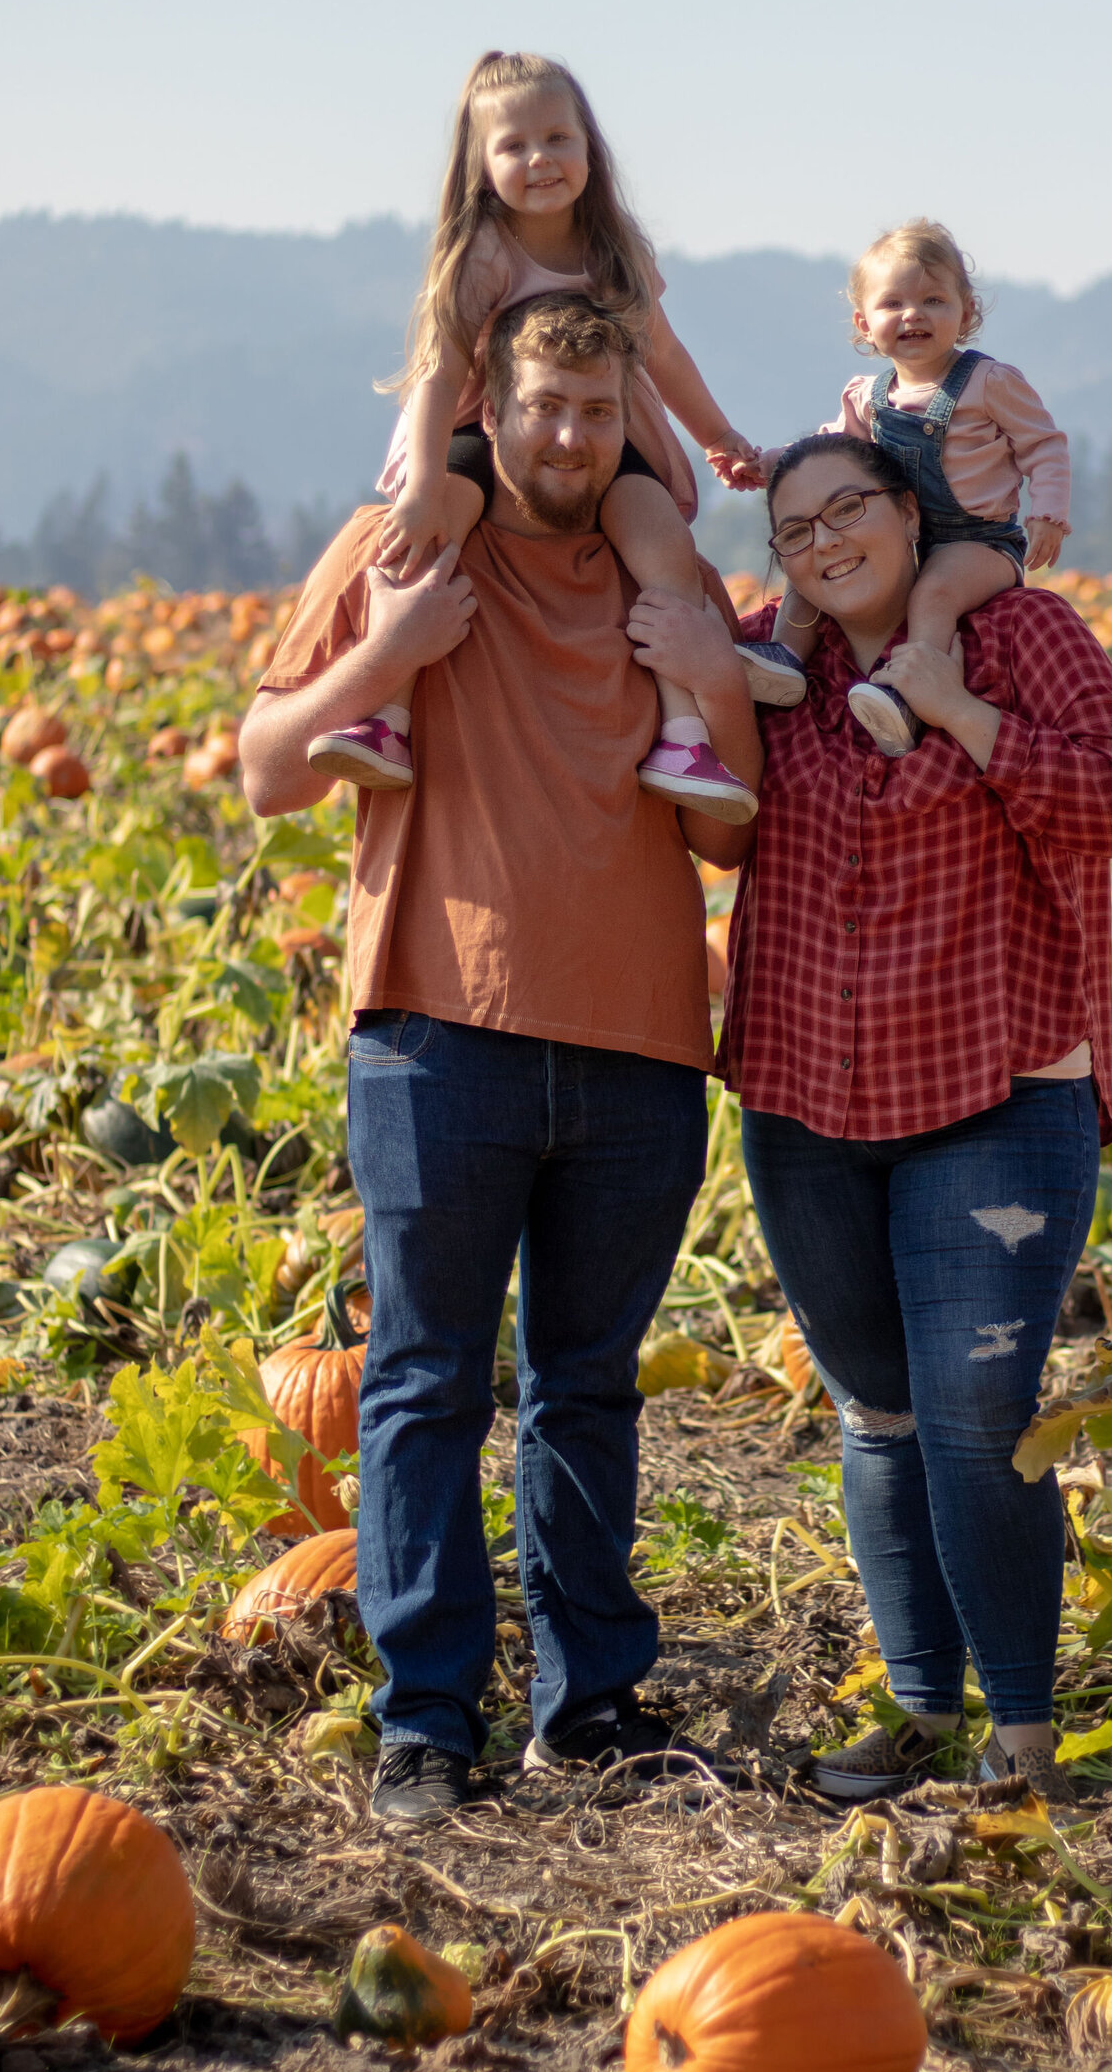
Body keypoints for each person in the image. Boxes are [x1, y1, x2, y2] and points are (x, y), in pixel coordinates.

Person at [238, 293, 763, 1823]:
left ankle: (591, 1702)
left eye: (598, 415)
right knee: (420, 1384)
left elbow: (728, 829)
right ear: (492, 403)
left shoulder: (665, 582)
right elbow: (268, 767)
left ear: (626, 426)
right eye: (543, 407)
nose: (569, 438)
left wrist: (717, 678)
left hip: (640, 1047)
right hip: (436, 1034)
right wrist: (386, 653)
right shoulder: (403, 547)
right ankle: (427, 1717)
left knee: (589, 1387)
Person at [639, 433, 1112, 1804]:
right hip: (809, 1103)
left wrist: (961, 714)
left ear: (911, 514)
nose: (822, 541)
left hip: (995, 1095)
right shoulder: (774, 671)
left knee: (980, 1412)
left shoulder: (1020, 637)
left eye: (847, 509)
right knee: (879, 1414)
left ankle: (1023, 1735)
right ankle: (922, 1711)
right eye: (795, 527)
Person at [307, 48, 763, 824]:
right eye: (513, 145)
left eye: (557, 138)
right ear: (481, 166)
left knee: (659, 541)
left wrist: (719, 435)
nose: (539, 159)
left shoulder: (616, 248)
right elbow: (439, 379)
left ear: (590, 149)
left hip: (600, 434)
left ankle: (684, 732)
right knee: (435, 525)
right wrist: (420, 486)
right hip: (484, 430)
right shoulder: (480, 255)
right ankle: (388, 713)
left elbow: (667, 356)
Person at [739, 220, 1072, 760]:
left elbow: (1045, 446)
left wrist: (1049, 512)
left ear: (965, 313)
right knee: (810, 570)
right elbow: (831, 451)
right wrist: (768, 463)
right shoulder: (868, 397)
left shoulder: (990, 383)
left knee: (933, 594)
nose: (912, 315)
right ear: (864, 323)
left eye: (933, 300)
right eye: (893, 304)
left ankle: (907, 697)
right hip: (906, 538)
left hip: (979, 542)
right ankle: (785, 659)